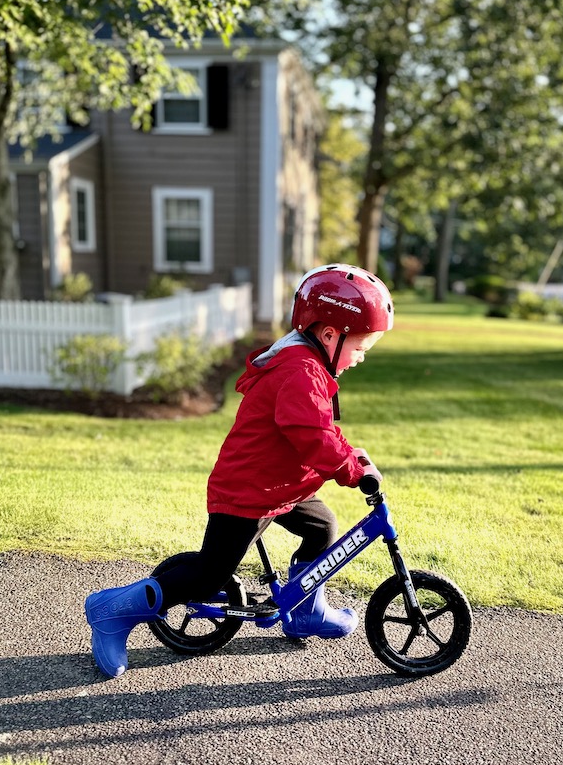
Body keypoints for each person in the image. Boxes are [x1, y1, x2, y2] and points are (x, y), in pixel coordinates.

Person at [85, 264, 394, 677]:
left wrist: (349, 454)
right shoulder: (300, 372)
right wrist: (352, 470)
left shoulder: (308, 365)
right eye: (360, 348)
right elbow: (311, 435)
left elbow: (317, 430)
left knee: (321, 529)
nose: (360, 358)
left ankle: (305, 611)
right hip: (248, 491)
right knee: (208, 574)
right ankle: (112, 612)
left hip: (280, 486)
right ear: (329, 334)